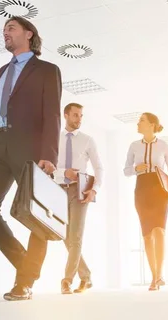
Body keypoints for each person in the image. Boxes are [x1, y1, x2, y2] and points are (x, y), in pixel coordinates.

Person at [0, 16, 62, 301]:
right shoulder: (0, 72)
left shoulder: (47, 70)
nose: (5, 33)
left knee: (36, 215)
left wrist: (49, 154)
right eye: (3, 30)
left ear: (29, 34)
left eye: (10, 28)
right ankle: (27, 267)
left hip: (30, 148)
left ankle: (24, 282)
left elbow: (52, 114)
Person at [53, 103, 103, 294]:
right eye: (75, 115)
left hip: (80, 191)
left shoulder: (87, 140)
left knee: (76, 237)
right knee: (66, 237)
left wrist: (95, 190)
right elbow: (47, 167)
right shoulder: (53, 138)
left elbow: (99, 168)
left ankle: (66, 280)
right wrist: (62, 172)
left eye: (81, 116)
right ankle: (86, 276)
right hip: (57, 190)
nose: (79, 119)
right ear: (66, 115)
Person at [124, 113, 168, 291]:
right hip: (142, 189)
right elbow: (126, 170)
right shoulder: (133, 146)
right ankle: (154, 276)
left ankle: (159, 275)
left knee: (159, 231)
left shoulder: (164, 146)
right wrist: (135, 169)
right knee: (147, 234)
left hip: (160, 188)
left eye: (141, 120)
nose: (138, 123)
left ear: (152, 125)